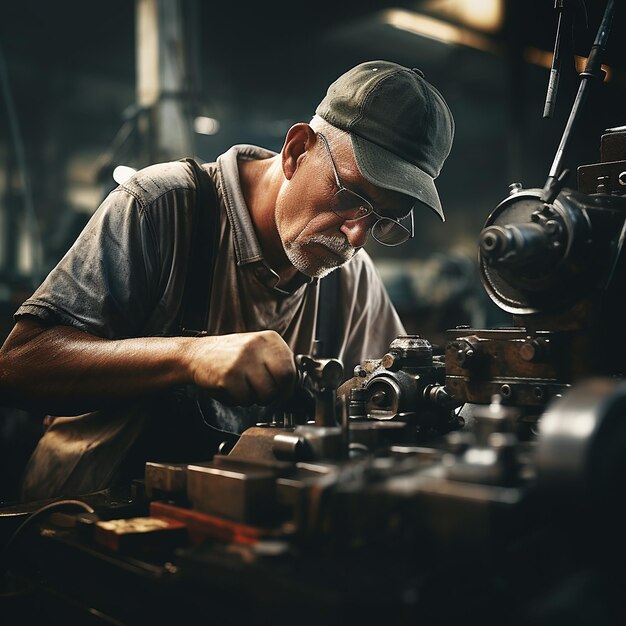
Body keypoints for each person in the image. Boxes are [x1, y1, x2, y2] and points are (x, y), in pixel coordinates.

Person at [0, 60, 455, 501]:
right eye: (351, 195)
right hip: (77, 522)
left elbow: (399, 407)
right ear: (298, 150)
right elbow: (18, 368)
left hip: (222, 538)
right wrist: (189, 356)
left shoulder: (351, 280)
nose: (357, 235)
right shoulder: (162, 208)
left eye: (383, 219)